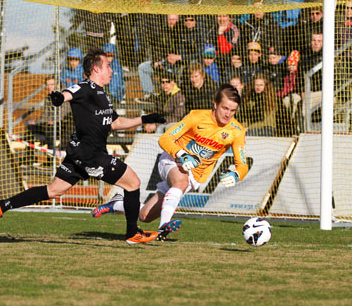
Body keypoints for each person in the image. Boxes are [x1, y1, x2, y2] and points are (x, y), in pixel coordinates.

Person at [0, 47, 167, 243]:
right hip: (90, 155)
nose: (112, 70)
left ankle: (1, 206)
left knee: (54, 190)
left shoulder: (102, 95)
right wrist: (59, 97)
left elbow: (115, 123)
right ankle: (133, 233)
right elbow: (68, 93)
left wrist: (144, 118)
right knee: (133, 183)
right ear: (96, 69)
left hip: (80, 153)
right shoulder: (85, 87)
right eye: (108, 66)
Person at [93, 83, 248, 241]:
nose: (228, 114)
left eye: (232, 110)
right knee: (181, 182)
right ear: (215, 105)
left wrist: (236, 175)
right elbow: (165, 138)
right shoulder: (196, 116)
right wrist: (182, 154)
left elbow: (242, 165)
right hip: (172, 159)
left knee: (145, 215)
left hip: (196, 175)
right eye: (225, 108)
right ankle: (164, 225)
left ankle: (117, 204)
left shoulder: (236, 131)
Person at [142, 67, 185, 135]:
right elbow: (156, 113)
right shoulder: (160, 95)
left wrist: (156, 125)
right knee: (141, 126)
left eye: (167, 82)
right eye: (162, 82)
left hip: (174, 124)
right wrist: (150, 122)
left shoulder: (179, 96)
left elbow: (177, 117)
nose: (165, 84)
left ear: (172, 82)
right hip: (160, 122)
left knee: (160, 129)